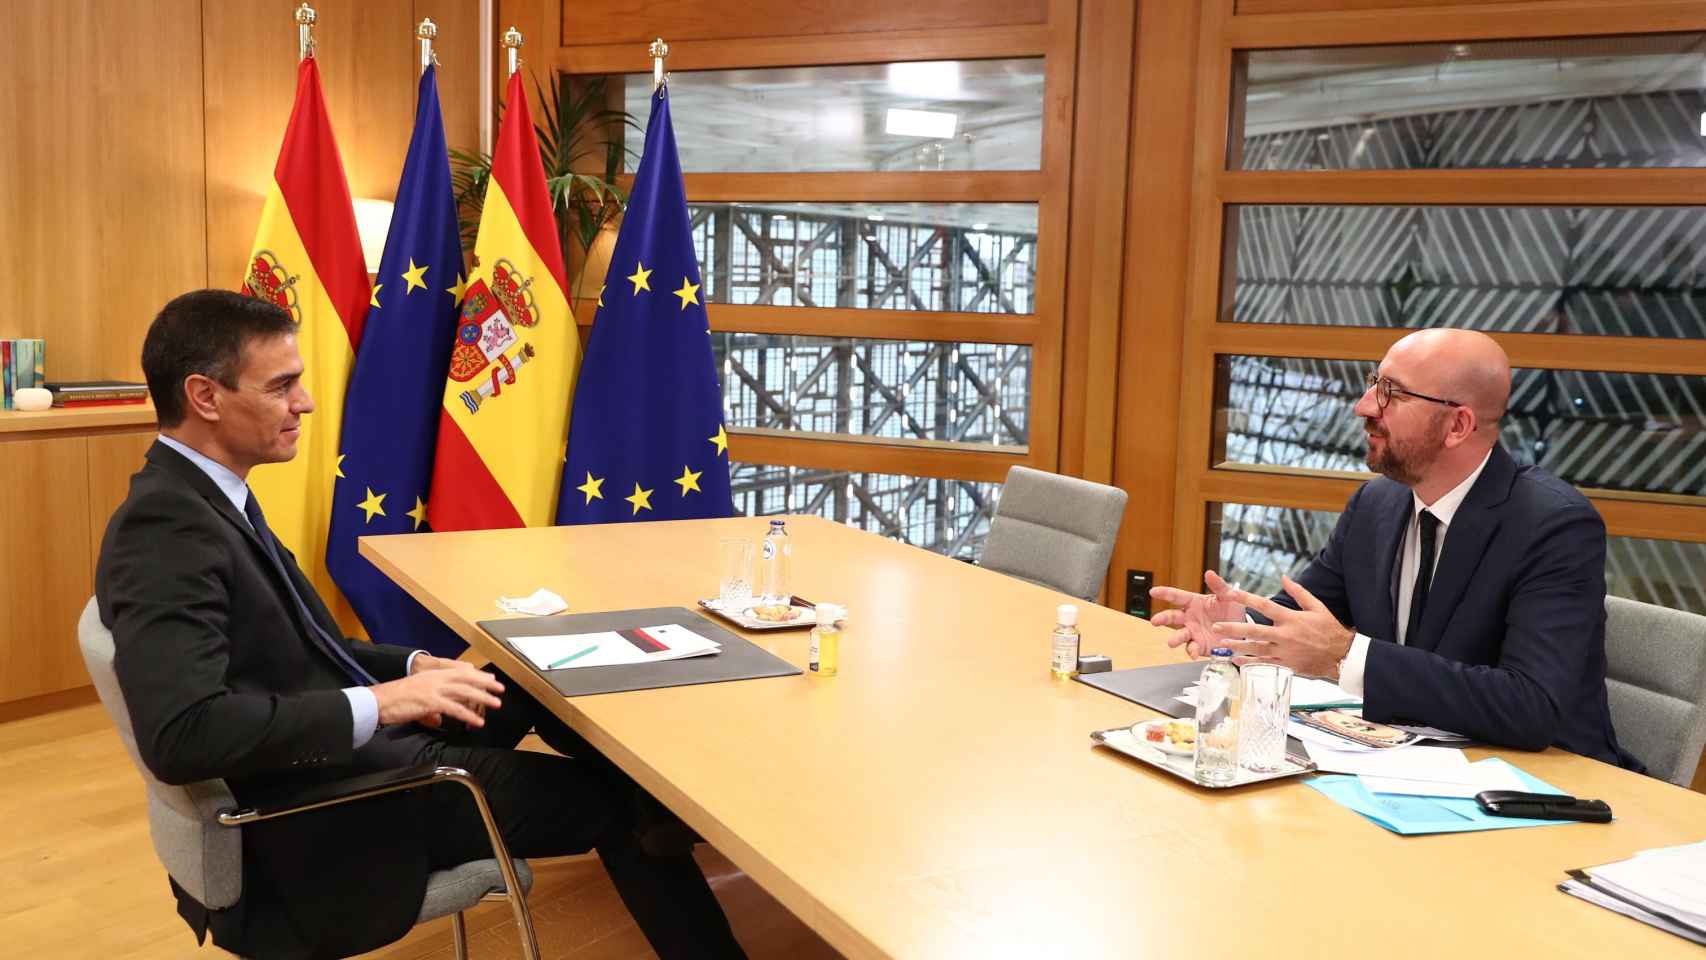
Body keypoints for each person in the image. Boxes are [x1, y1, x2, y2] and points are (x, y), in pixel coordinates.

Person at [96, 289, 746, 959]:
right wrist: (381, 703)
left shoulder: (207, 496)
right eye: (282, 386)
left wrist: (411, 669)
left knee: (531, 670)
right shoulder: (167, 531)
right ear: (205, 397)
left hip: (349, 749)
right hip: (338, 803)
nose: (307, 403)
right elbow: (182, 734)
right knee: (616, 803)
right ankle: (665, 815)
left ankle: (671, 800)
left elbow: (299, 646)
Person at [1150, 328, 1640, 770]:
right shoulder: (1377, 504)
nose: (1364, 406)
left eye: (1392, 393)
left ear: (1458, 426)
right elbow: (1308, 619)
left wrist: (1345, 658)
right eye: (1373, 383)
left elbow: (1532, 706)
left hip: (1542, 791)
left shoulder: (1553, 524)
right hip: (1405, 770)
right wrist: (1242, 628)